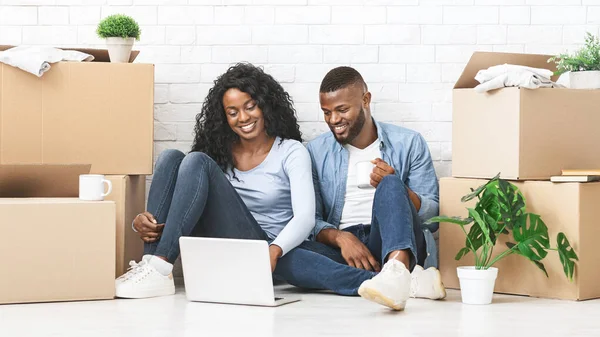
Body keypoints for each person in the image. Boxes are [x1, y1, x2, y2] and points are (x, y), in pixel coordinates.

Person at [114, 63, 317, 299]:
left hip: (262, 253)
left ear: (265, 105)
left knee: (196, 161)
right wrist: (140, 221)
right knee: (171, 158)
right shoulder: (220, 151)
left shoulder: (291, 151)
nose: (243, 118)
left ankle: (160, 265)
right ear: (224, 118)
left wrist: (273, 252)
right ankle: (152, 265)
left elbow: (305, 218)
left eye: (250, 107)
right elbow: (186, 199)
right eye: (232, 113)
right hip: (216, 247)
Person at [304, 66, 447, 310]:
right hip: (347, 250)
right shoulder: (315, 151)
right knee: (284, 257)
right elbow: (312, 220)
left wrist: (400, 189)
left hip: (394, 240)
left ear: (366, 100)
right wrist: (341, 238)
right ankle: (404, 282)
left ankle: (397, 265)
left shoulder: (409, 143)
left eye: (342, 110)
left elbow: (434, 218)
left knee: (391, 183)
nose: (333, 120)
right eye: (326, 112)